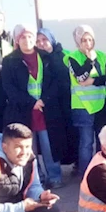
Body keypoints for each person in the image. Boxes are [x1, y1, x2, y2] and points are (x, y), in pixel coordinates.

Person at [2, 24, 66, 189]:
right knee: (28, 148)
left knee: (48, 145)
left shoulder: (46, 57)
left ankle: (55, 176)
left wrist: (44, 99)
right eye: (23, 37)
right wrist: (32, 102)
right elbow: (9, 88)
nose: (27, 40)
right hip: (24, 111)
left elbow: (56, 82)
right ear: (17, 40)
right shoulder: (9, 61)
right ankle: (35, 179)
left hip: (46, 109)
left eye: (30, 36)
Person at [67, 25, 106, 179]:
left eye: (90, 40)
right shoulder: (72, 57)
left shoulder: (102, 55)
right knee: (86, 143)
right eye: (83, 40)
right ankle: (86, 176)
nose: (87, 43)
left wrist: (93, 81)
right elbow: (81, 78)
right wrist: (90, 61)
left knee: (102, 141)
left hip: (102, 105)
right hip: (83, 107)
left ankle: (102, 174)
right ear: (78, 42)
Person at [36, 27, 78, 167]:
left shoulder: (63, 54)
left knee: (72, 134)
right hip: (49, 104)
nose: (41, 43)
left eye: (44, 39)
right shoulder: (38, 59)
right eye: (38, 41)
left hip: (67, 101)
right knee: (55, 138)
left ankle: (77, 164)